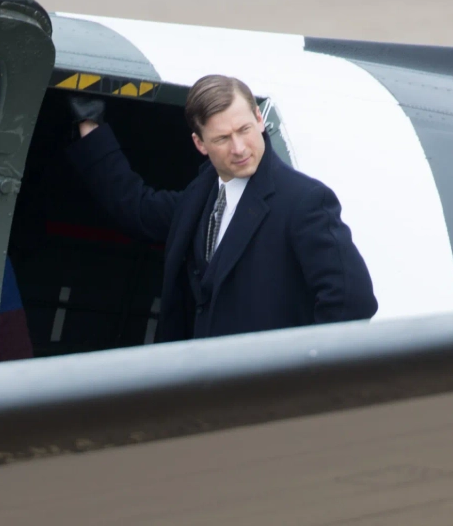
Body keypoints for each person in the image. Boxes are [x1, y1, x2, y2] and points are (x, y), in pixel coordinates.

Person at [67, 74, 377, 343]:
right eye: (222, 139)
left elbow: (352, 302)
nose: (239, 148)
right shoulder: (199, 196)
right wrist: (89, 125)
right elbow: (138, 208)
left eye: (244, 129)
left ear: (259, 119)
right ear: (200, 144)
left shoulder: (305, 200)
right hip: (200, 394)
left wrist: (299, 379)